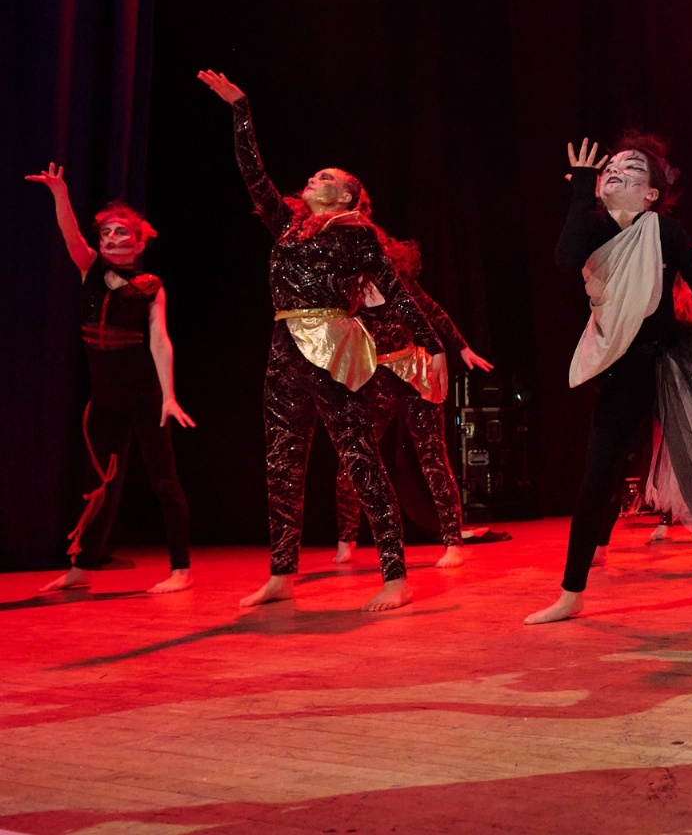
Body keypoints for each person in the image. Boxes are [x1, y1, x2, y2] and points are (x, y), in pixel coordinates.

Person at [525, 136, 692, 634]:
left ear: (650, 194)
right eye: (611, 165)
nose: (616, 169)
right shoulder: (593, 226)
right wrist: (582, 188)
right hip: (620, 367)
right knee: (595, 481)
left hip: (669, 362)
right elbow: (566, 260)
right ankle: (571, 595)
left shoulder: (664, 230)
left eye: (632, 168)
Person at [199, 69, 442, 612]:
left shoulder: (357, 233)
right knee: (282, 462)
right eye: (313, 174)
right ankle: (281, 574)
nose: (311, 178)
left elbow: (398, 293)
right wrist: (240, 109)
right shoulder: (288, 225)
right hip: (283, 347)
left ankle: (396, 577)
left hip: (333, 351)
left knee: (359, 457)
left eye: (324, 177)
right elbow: (253, 174)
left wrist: (434, 344)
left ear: (348, 194)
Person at [26, 166, 195, 594]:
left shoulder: (150, 286)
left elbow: (160, 340)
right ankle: (82, 568)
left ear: (138, 242)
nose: (114, 238)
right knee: (96, 482)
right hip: (105, 399)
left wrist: (169, 395)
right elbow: (70, 236)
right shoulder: (90, 270)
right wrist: (60, 194)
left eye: (123, 233)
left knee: (163, 480)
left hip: (144, 394)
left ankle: (180, 569)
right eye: (107, 233)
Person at [332, 235, 493, 569]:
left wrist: (462, 347)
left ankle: (453, 542)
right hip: (377, 380)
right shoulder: (347, 290)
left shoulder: (398, 282)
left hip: (416, 376)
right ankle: (346, 538)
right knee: (352, 461)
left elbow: (433, 311)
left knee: (433, 459)